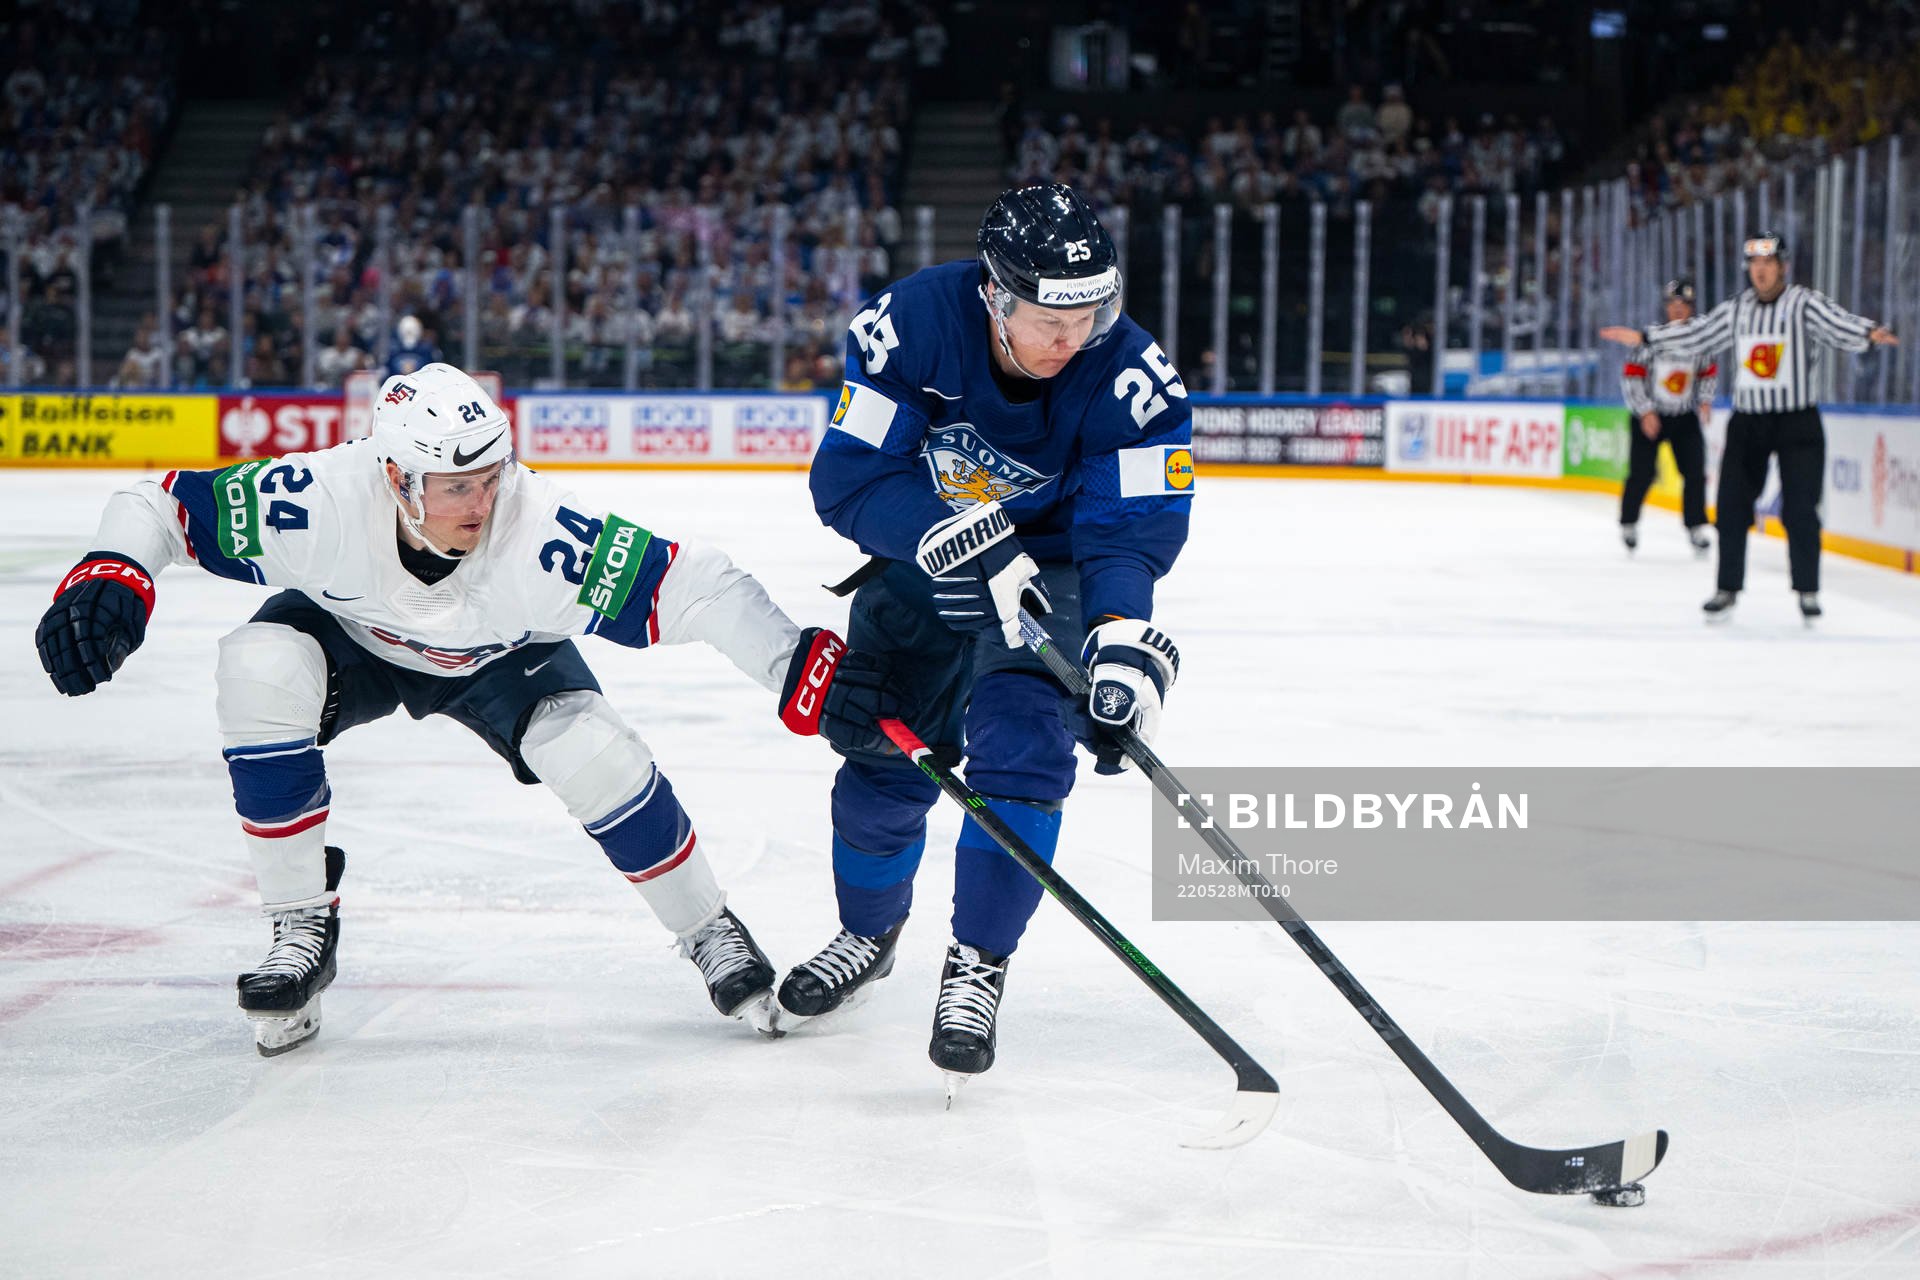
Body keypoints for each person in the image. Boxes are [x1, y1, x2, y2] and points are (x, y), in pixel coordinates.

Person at [34, 363, 896, 1056]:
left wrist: (797, 668)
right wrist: (115, 569)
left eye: (490, 478)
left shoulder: (539, 533)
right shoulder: (317, 500)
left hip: (502, 653)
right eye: (457, 488)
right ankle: (299, 922)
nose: (482, 507)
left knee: (589, 750)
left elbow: (693, 583)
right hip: (351, 637)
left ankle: (708, 927)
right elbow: (158, 503)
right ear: (395, 478)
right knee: (260, 669)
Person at [776, 183, 1194, 1093]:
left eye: (1091, 315)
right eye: (1050, 319)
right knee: (881, 758)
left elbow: (1129, 524)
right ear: (996, 297)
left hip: (1055, 576)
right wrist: (949, 536)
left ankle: (978, 963)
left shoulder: (1132, 375)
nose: (1071, 341)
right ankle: (870, 932)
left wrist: (1120, 631)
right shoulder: (914, 324)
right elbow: (848, 480)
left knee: (1026, 749)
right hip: (927, 552)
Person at [1601, 233, 1897, 621]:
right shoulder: (1738, 309)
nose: (1760, 271)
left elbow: (1836, 323)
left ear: (1782, 267)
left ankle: (1807, 589)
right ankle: (1727, 588)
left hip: (1797, 421)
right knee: (1731, 507)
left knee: (1801, 509)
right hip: (1749, 422)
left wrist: (1869, 333)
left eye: (1768, 263)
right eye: (1754, 264)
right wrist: (1647, 337)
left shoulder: (1802, 303)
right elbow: (1699, 333)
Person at [1618, 277, 1715, 555]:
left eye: (1683, 304)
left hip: (1683, 415)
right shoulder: (1652, 338)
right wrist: (1645, 410)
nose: (1678, 309)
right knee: (1642, 473)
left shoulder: (1698, 341)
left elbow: (1707, 372)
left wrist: (1705, 400)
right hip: (1649, 414)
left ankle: (1696, 526)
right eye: (1673, 303)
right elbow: (1632, 376)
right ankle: (1629, 522)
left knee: (1695, 471)